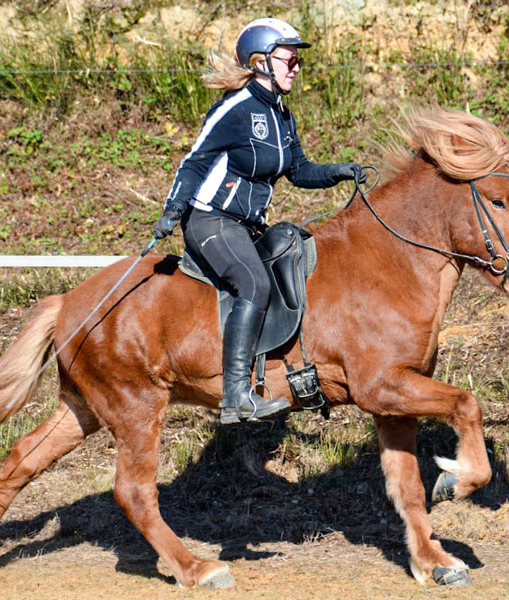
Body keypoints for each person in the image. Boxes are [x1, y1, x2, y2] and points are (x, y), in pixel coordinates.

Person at [154, 17, 363, 425]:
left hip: (248, 227)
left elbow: (298, 170)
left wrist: (340, 171)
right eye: (289, 59)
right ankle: (236, 397)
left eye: (297, 61)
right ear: (261, 61)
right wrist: (173, 208)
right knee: (254, 282)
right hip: (210, 220)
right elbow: (194, 162)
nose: (296, 67)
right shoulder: (234, 108)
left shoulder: (283, 115)